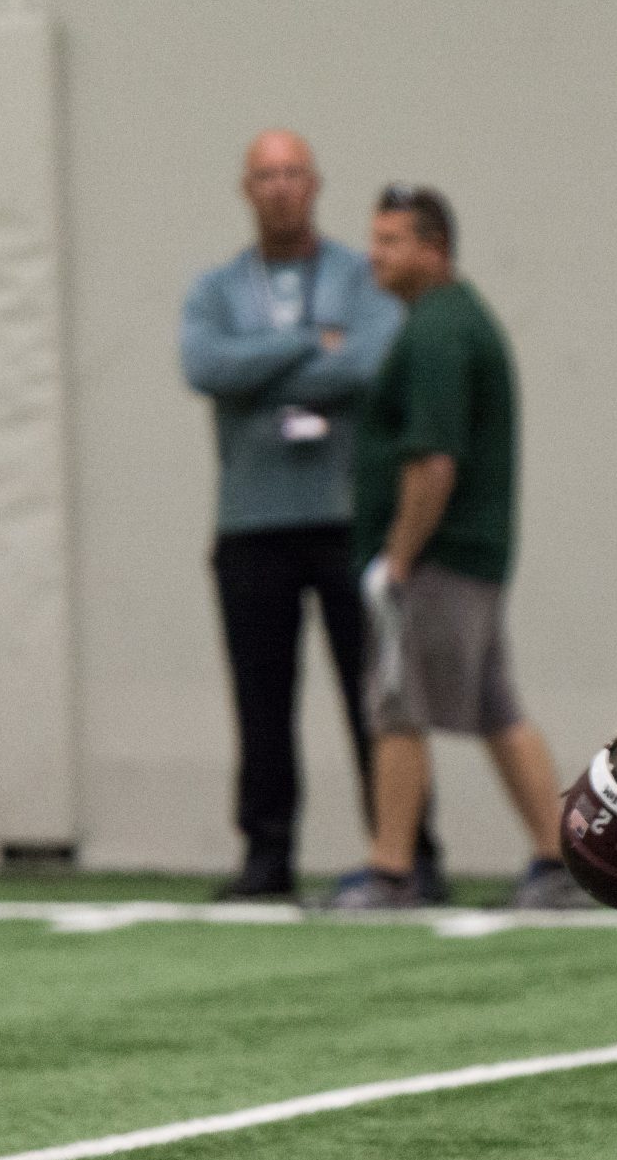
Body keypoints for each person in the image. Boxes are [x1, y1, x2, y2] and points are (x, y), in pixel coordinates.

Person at [180, 130, 443, 902]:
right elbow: (204, 365)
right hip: (250, 523)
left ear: (315, 184)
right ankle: (266, 857)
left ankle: (405, 851)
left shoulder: (360, 278)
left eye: (294, 173)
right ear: (246, 188)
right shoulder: (217, 288)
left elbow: (372, 357)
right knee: (260, 703)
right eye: (267, 175)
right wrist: (304, 343)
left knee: (377, 694)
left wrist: (260, 365)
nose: (281, 187)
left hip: (345, 518)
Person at [331, 185, 587, 912]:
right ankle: (557, 858)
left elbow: (432, 458)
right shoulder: (450, 319)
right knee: (495, 706)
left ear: (432, 249)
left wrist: (398, 558)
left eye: (390, 241)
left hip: (439, 556)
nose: (374, 255)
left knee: (395, 704)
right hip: (469, 554)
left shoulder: (437, 331)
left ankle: (390, 869)